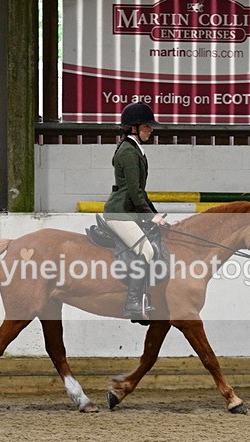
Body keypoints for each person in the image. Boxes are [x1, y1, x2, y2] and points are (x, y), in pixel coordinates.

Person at [103, 102, 169, 320]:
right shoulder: (129, 152)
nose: (151, 130)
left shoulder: (135, 150)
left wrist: (155, 215)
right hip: (120, 212)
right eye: (147, 126)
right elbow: (133, 193)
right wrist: (151, 217)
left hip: (129, 210)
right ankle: (132, 302)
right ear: (134, 128)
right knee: (147, 251)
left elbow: (141, 192)